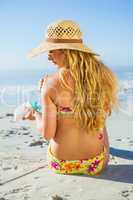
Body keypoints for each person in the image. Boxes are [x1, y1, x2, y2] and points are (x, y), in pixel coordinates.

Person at [25, 20, 119, 176]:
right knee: (99, 120)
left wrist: (36, 114)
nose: (48, 58)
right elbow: (104, 115)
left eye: (50, 51)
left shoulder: (49, 83)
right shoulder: (102, 77)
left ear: (64, 50)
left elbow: (47, 134)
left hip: (60, 164)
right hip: (95, 164)